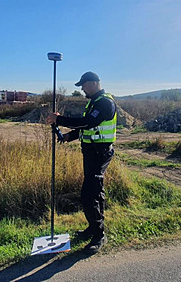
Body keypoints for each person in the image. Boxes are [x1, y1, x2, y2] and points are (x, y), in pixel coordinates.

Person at [46, 71, 117, 253]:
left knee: (90, 192)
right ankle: (93, 228)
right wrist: (69, 136)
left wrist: (59, 119)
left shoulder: (105, 103)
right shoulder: (94, 102)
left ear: (93, 83)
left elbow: (86, 123)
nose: (82, 89)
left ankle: (99, 235)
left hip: (100, 153)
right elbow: (87, 128)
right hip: (92, 152)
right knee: (92, 191)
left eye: (83, 85)